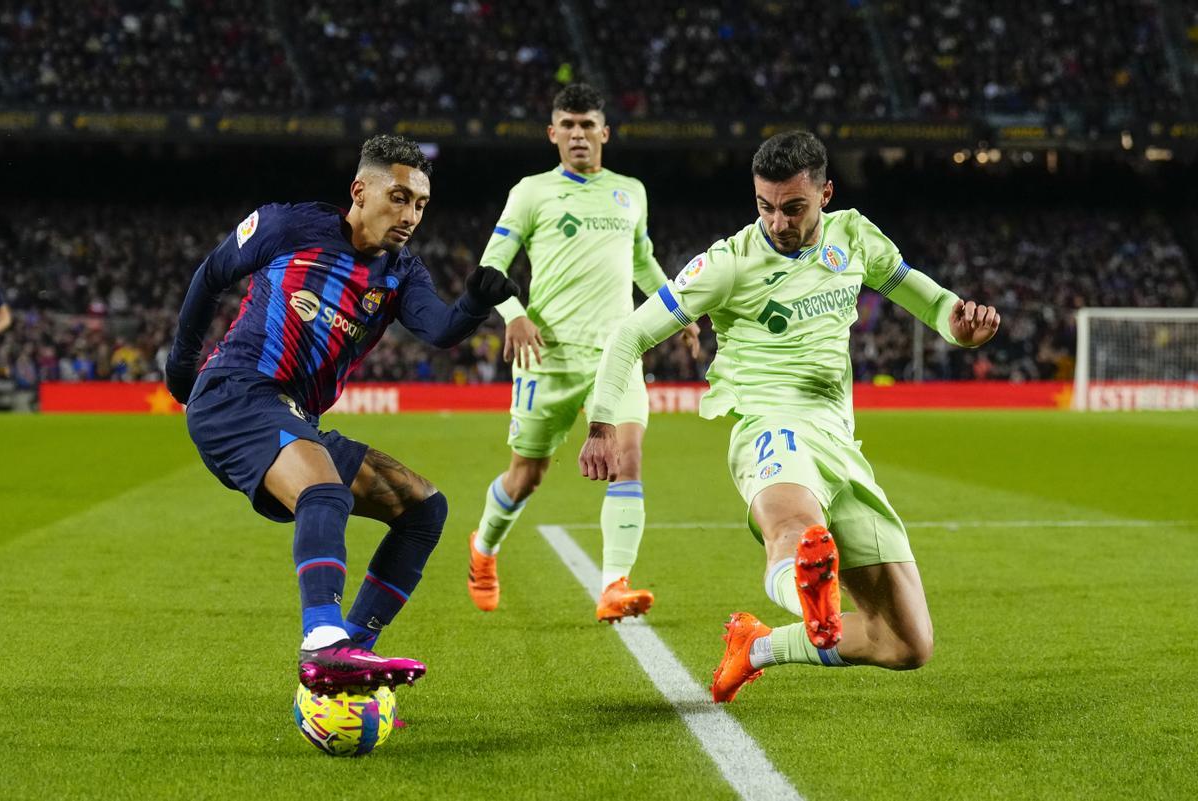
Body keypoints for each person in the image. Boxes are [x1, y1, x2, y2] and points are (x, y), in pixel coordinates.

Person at [578, 131, 1000, 701]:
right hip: (769, 425)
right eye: (765, 206)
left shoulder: (855, 237)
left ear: (825, 193)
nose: (777, 222)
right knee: (792, 528)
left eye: (793, 207)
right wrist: (601, 426)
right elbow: (628, 334)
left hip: (840, 444)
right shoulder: (728, 264)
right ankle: (803, 587)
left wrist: (962, 325)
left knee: (905, 643)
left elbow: (933, 304)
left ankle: (755, 646)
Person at [165, 135, 519, 694]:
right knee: (324, 490)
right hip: (235, 394)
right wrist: (181, 369)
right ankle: (323, 639)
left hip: (290, 415)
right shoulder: (288, 226)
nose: (410, 216)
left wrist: (475, 302)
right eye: (398, 198)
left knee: (423, 508)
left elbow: (440, 328)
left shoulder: (401, 274)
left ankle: (349, 654)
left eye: (421, 204)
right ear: (360, 190)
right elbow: (212, 274)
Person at [464, 84, 700, 621]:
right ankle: (484, 549)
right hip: (548, 356)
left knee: (628, 455)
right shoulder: (531, 192)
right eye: (567, 125)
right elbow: (489, 267)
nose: (577, 134)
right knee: (526, 475)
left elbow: (642, 261)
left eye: (587, 124)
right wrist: (513, 314)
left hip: (618, 351)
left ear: (604, 133)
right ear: (552, 133)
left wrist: (678, 310)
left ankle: (614, 583)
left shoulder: (631, 192)